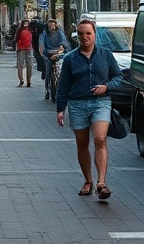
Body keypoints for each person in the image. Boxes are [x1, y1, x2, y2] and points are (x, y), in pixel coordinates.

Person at [55, 17, 122, 202]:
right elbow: (63, 86)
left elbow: (118, 77)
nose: (85, 37)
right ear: (77, 36)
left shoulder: (106, 55)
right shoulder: (70, 59)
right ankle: (88, 181)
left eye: (88, 33)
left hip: (101, 102)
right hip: (77, 104)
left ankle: (102, 183)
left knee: (100, 138)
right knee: (82, 144)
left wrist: (106, 87)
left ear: (95, 35)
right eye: (81, 34)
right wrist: (60, 109)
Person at [39, 18, 70, 100]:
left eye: (53, 25)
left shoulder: (59, 32)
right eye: (50, 25)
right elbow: (41, 43)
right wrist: (42, 51)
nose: (52, 27)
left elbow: (63, 41)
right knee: (48, 71)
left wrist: (61, 47)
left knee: (61, 69)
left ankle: (60, 86)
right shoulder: (44, 33)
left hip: (58, 53)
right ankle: (47, 90)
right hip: (48, 54)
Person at [14, 19, 35, 86]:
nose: (26, 24)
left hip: (26, 49)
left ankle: (26, 81)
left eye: (27, 23)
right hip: (23, 49)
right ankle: (23, 81)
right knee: (24, 65)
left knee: (24, 65)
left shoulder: (22, 31)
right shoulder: (27, 31)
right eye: (25, 23)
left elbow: (16, 40)